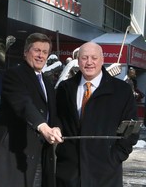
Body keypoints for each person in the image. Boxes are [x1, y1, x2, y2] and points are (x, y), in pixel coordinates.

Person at [0, 33, 63, 187]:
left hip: (41, 157)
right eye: (37, 50)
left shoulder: (47, 83)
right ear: (26, 52)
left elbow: (52, 114)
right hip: (15, 154)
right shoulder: (14, 75)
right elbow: (24, 104)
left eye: (45, 52)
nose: (41, 55)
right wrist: (43, 127)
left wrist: (57, 127)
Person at [55, 42, 139, 187]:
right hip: (70, 174)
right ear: (78, 60)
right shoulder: (65, 88)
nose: (89, 62)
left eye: (94, 58)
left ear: (102, 60)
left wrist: (115, 157)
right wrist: (63, 152)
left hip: (105, 174)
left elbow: (132, 130)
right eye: (84, 58)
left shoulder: (121, 91)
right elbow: (57, 120)